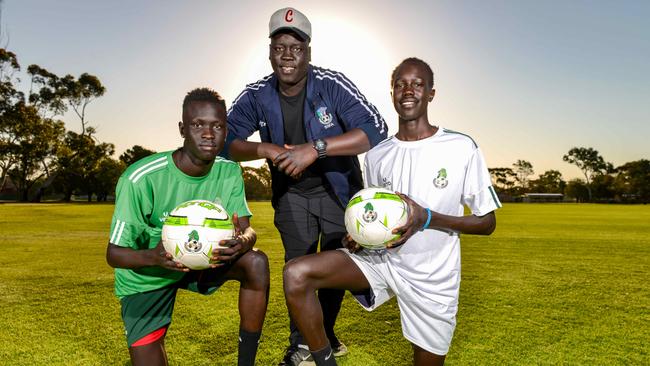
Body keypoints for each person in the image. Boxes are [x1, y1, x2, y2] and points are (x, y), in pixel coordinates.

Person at [282, 57, 502, 365]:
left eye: (417, 84)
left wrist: (426, 218)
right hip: (382, 263)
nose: (408, 90)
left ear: (431, 94)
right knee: (297, 273)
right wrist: (358, 235)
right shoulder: (377, 154)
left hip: (432, 277)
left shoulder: (461, 147)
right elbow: (372, 216)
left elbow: (487, 222)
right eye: (400, 84)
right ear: (392, 92)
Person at [224, 7, 388, 366]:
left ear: (308, 53)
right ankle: (302, 346)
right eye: (279, 46)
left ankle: (323, 337)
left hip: (337, 192)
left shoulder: (332, 84)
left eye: (295, 47)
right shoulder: (256, 94)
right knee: (296, 269)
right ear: (269, 52)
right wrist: (263, 149)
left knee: (331, 269)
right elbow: (226, 140)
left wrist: (315, 149)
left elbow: (375, 129)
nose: (287, 55)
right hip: (292, 196)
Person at [106, 88, 270, 366]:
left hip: (206, 263)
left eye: (217, 126)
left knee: (256, 262)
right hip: (150, 273)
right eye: (198, 125)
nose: (209, 133)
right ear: (182, 129)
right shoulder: (141, 178)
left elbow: (247, 230)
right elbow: (114, 254)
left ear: (226, 131)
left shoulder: (228, 170)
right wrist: (153, 257)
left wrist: (243, 241)